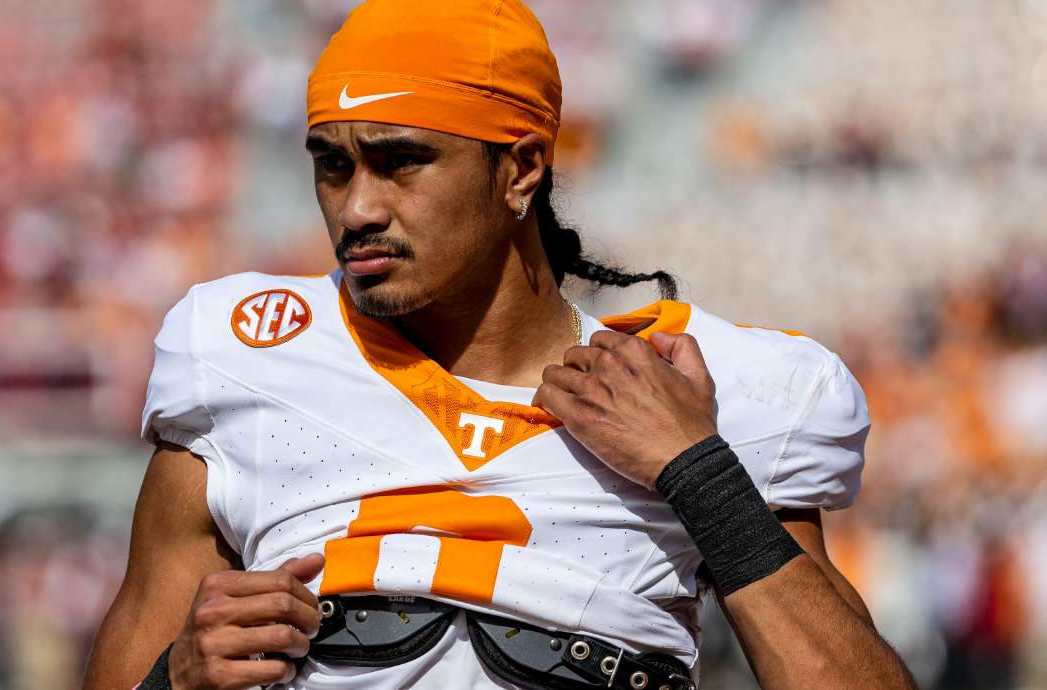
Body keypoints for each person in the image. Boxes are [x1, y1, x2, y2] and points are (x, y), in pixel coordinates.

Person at [84, 1, 917, 688]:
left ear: (521, 168)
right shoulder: (245, 361)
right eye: (333, 166)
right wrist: (174, 680)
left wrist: (698, 473)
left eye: (400, 162)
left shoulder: (697, 391)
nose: (357, 208)